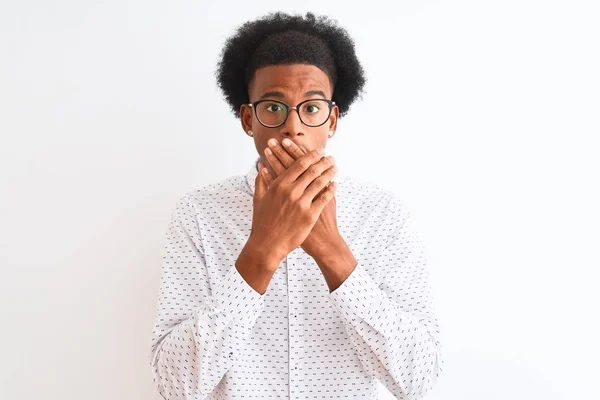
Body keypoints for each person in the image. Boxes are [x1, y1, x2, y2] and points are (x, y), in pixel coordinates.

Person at [149, 11, 443, 400]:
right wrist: (263, 249)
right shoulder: (200, 214)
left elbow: (419, 379)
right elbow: (176, 386)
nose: (293, 126)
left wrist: (331, 250)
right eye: (273, 107)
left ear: (332, 120)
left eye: (311, 107)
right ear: (247, 119)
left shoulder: (383, 215)